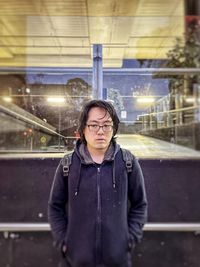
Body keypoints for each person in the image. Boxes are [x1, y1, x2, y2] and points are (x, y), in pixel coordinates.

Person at [48, 99, 148, 267]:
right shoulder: (68, 164)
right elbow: (55, 206)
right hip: (75, 261)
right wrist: (64, 242)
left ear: (114, 128)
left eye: (106, 125)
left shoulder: (127, 162)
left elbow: (140, 204)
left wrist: (129, 239)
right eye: (94, 125)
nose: (100, 131)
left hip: (118, 260)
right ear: (83, 129)